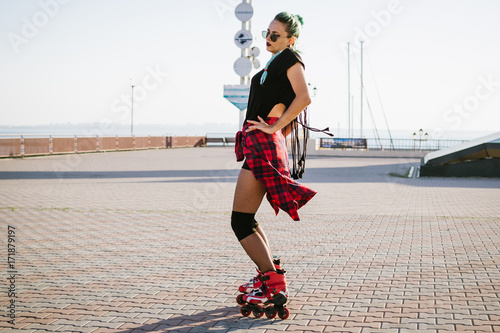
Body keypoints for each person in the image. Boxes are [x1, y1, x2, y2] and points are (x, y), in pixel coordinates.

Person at [231, 12, 317, 307]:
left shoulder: (290, 59)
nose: (268, 39)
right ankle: (270, 272)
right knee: (246, 219)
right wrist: (275, 129)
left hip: (263, 145)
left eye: (275, 35)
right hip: (261, 143)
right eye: (266, 33)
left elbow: (304, 98)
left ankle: (272, 280)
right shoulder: (273, 63)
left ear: (291, 39)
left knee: (240, 221)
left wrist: (272, 128)